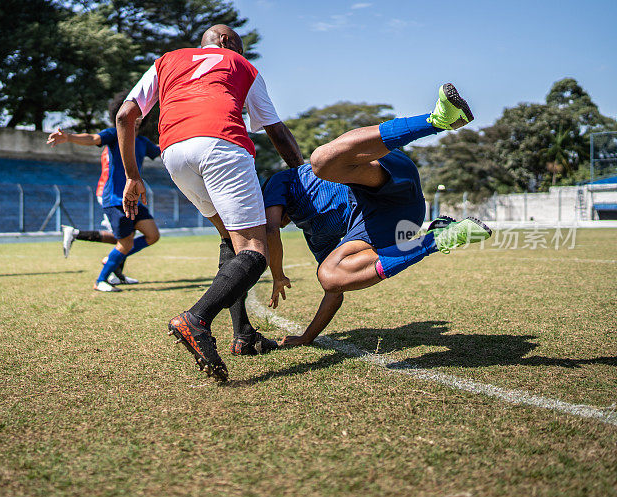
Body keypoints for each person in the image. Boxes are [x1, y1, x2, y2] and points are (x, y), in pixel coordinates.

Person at [116, 24, 304, 381]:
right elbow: (275, 130)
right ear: (225, 42)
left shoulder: (166, 61)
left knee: (229, 240)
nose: (241, 54)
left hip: (174, 153)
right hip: (222, 146)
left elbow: (126, 116)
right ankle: (196, 319)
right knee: (255, 250)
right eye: (240, 47)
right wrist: (304, 172)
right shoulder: (241, 65)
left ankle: (243, 336)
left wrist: (132, 176)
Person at [263, 84, 492, 346]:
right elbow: (335, 291)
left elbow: (269, 230)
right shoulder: (315, 235)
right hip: (399, 219)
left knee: (321, 161)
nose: (272, 221)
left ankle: (437, 119)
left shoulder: (281, 182)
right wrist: (306, 337)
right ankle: (436, 238)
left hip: (389, 180)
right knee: (329, 275)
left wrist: (277, 274)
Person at [47, 91, 161, 292]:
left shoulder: (143, 143)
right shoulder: (114, 135)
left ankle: (113, 259)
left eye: (140, 114)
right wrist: (69, 137)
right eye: (133, 113)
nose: (136, 118)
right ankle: (101, 280)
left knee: (152, 236)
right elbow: (92, 138)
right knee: (124, 243)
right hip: (116, 199)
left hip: (134, 199)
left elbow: (161, 151)